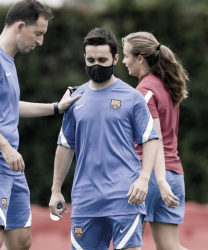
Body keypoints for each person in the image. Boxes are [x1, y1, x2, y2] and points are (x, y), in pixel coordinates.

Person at [0, 1, 81, 250]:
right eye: (38, 33)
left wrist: (56, 107)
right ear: (20, 26)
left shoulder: (7, 62)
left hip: (8, 165)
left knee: (21, 241)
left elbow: (10, 106)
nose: (41, 41)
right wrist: (5, 146)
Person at [49, 28, 178, 250]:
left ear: (115, 59)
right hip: (85, 202)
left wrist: (144, 179)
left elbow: (151, 139)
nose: (95, 64)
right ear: (84, 59)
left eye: (102, 59)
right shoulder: (74, 99)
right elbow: (65, 145)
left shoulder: (133, 97)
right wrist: (55, 190)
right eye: (90, 60)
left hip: (125, 199)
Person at [122, 31, 189, 250]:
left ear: (139, 58)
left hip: (148, 176)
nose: (123, 62)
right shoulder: (165, 86)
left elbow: (155, 138)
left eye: (126, 56)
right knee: (171, 247)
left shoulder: (144, 91)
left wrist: (158, 181)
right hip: (173, 175)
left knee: (128, 246)